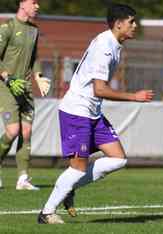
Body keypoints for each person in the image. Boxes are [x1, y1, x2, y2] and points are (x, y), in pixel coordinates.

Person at [38, 4, 154, 224]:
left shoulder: (114, 44)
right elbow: (99, 90)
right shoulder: (105, 47)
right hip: (77, 111)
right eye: (132, 21)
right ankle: (46, 213)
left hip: (93, 112)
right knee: (78, 168)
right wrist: (134, 97)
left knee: (118, 159)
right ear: (118, 24)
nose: (135, 26)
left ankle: (68, 189)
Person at [0, 0, 51, 190]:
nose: (38, 6)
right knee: (12, 131)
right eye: (34, 2)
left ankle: (23, 179)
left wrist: (38, 77)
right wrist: (8, 78)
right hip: (5, 88)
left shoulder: (34, 30)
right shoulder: (7, 28)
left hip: (26, 88)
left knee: (26, 133)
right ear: (22, 4)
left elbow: (34, 57)